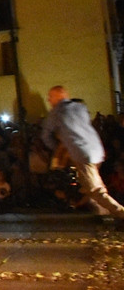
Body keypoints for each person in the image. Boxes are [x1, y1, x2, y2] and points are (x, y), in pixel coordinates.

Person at [41, 85, 124, 223]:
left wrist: (59, 148)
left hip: (82, 154)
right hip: (97, 149)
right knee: (88, 185)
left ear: (58, 96)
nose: (49, 100)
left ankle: (120, 213)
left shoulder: (56, 112)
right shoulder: (80, 107)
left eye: (50, 97)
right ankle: (103, 213)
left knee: (96, 190)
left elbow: (45, 136)